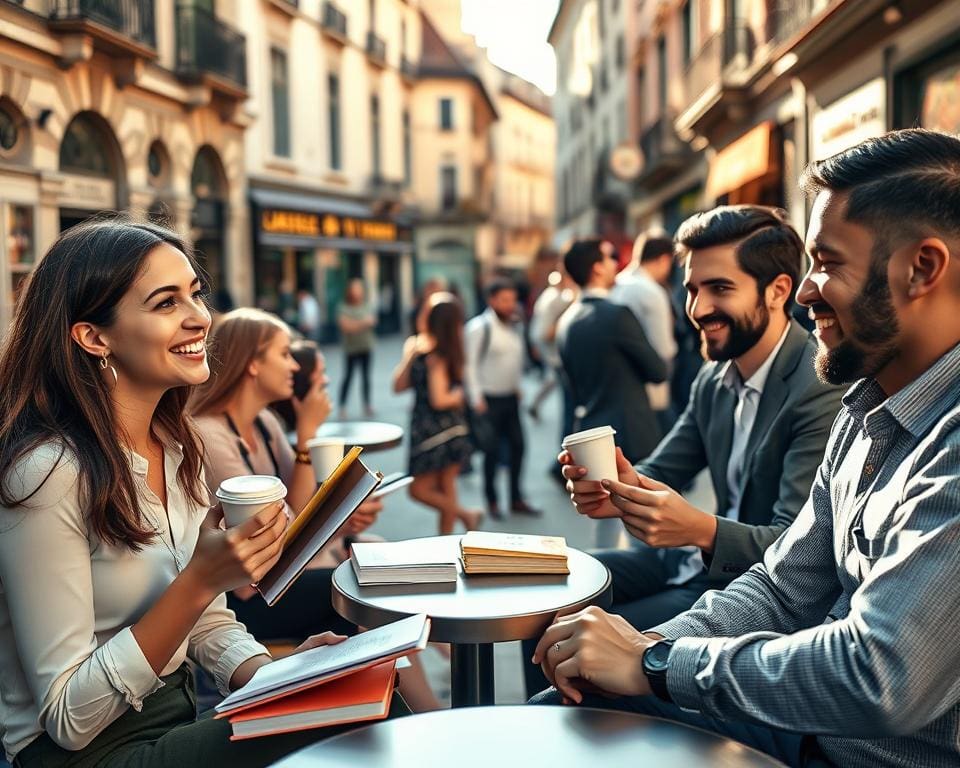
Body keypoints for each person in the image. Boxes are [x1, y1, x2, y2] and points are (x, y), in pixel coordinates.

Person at [531, 129, 960, 768]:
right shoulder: (861, 406)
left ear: (921, 268)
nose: (810, 290)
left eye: (829, 262)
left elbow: (878, 676)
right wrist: (638, 650)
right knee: (557, 704)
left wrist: (653, 662)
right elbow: (784, 586)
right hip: (802, 720)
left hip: (866, 753)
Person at [0, 220, 406, 768]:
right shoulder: (46, 472)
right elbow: (68, 720)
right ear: (94, 337)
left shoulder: (175, 446)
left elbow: (210, 625)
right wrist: (198, 580)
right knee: (368, 720)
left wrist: (281, 676)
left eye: (195, 293)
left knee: (365, 695)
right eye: (166, 303)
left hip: (174, 718)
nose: (200, 318)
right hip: (86, 756)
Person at [523, 206, 845, 695]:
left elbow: (797, 555)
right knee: (546, 600)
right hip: (684, 563)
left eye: (720, 289)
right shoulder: (714, 378)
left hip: (746, 589)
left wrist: (700, 529)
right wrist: (617, 488)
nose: (696, 309)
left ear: (779, 291)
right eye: (692, 290)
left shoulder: (815, 385)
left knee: (570, 648)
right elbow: (664, 466)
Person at [190, 309, 380, 639]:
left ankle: (406, 685)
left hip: (277, 577)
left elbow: (302, 507)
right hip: (245, 598)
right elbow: (288, 528)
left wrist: (345, 512)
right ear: (252, 363)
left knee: (379, 569)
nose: (294, 365)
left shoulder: (264, 422)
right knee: (359, 585)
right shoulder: (210, 435)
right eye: (283, 354)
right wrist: (307, 436)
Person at [556, 239, 668, 548]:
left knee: (604, 519)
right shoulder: (617, 314)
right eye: (609, 258)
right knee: (639, 518)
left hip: (590, 430)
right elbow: (658, 371)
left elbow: (572, 387)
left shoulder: (566, 321)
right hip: (629, 428)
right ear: (596, 268)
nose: (614, 263)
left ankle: (603, 580)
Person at [393, 293, 481, 535]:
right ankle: (460, 523)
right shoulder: (422, 347)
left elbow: (439, 399)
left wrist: (457, 396)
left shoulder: (439, 355)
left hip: (438, 430)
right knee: (444, 486)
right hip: (438, 428)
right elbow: (398, 386)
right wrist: (411, 355)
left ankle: (453, 530)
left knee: (419, 490)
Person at [464, 279, 540, 519]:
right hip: (488, 399)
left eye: (513, 299)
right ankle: (492, 501)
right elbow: (469, 365)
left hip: (510, 398)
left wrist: (518, 386)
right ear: (492, 300)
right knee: (492, 451)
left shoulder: (514, 325)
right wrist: (475, 397)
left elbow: (515, 359)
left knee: (518, 446)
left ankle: (516, 498)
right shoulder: (479, 328)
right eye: (504, 300)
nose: (510, 305)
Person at [611, 232, 679, 433]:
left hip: (621, 384)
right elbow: (664, 349)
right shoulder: (651, 291)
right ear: (665, 259)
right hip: (651, 386)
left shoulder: (616, 283)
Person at [527, 269, 577, 423]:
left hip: (544, 343)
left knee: (552, 379)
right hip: (550, 347)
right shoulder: (554, 297)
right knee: (554, 380)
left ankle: (535, 404)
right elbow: (546, 331)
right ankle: (534, 404)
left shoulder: (548, 295)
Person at [337, 279, 376, 419]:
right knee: (348, 377)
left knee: (366, 378)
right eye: (354, 288)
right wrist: (363, 323)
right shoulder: (344, 307)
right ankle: (342, 406)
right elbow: (345, 327)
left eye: (359, 288)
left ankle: (367, 405)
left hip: (366, 346)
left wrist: (354, 324)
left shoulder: (367, 305)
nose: (357, 291)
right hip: (351, 349)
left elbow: (372, 321)